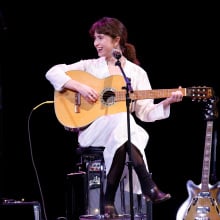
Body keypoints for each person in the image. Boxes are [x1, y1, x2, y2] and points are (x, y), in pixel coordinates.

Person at [45, 16, 183, 218]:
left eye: (100, 38)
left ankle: (108, 201)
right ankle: (148, 184)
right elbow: (52, 72)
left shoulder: (136, 73)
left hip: (121, 132)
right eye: (95, 38)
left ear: (116, 40)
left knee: (125, 127)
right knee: (124, 123)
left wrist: (166, 102)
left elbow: (145, 113)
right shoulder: (89, 66)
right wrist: (79, 87)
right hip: (93, 130)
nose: (96, 43)